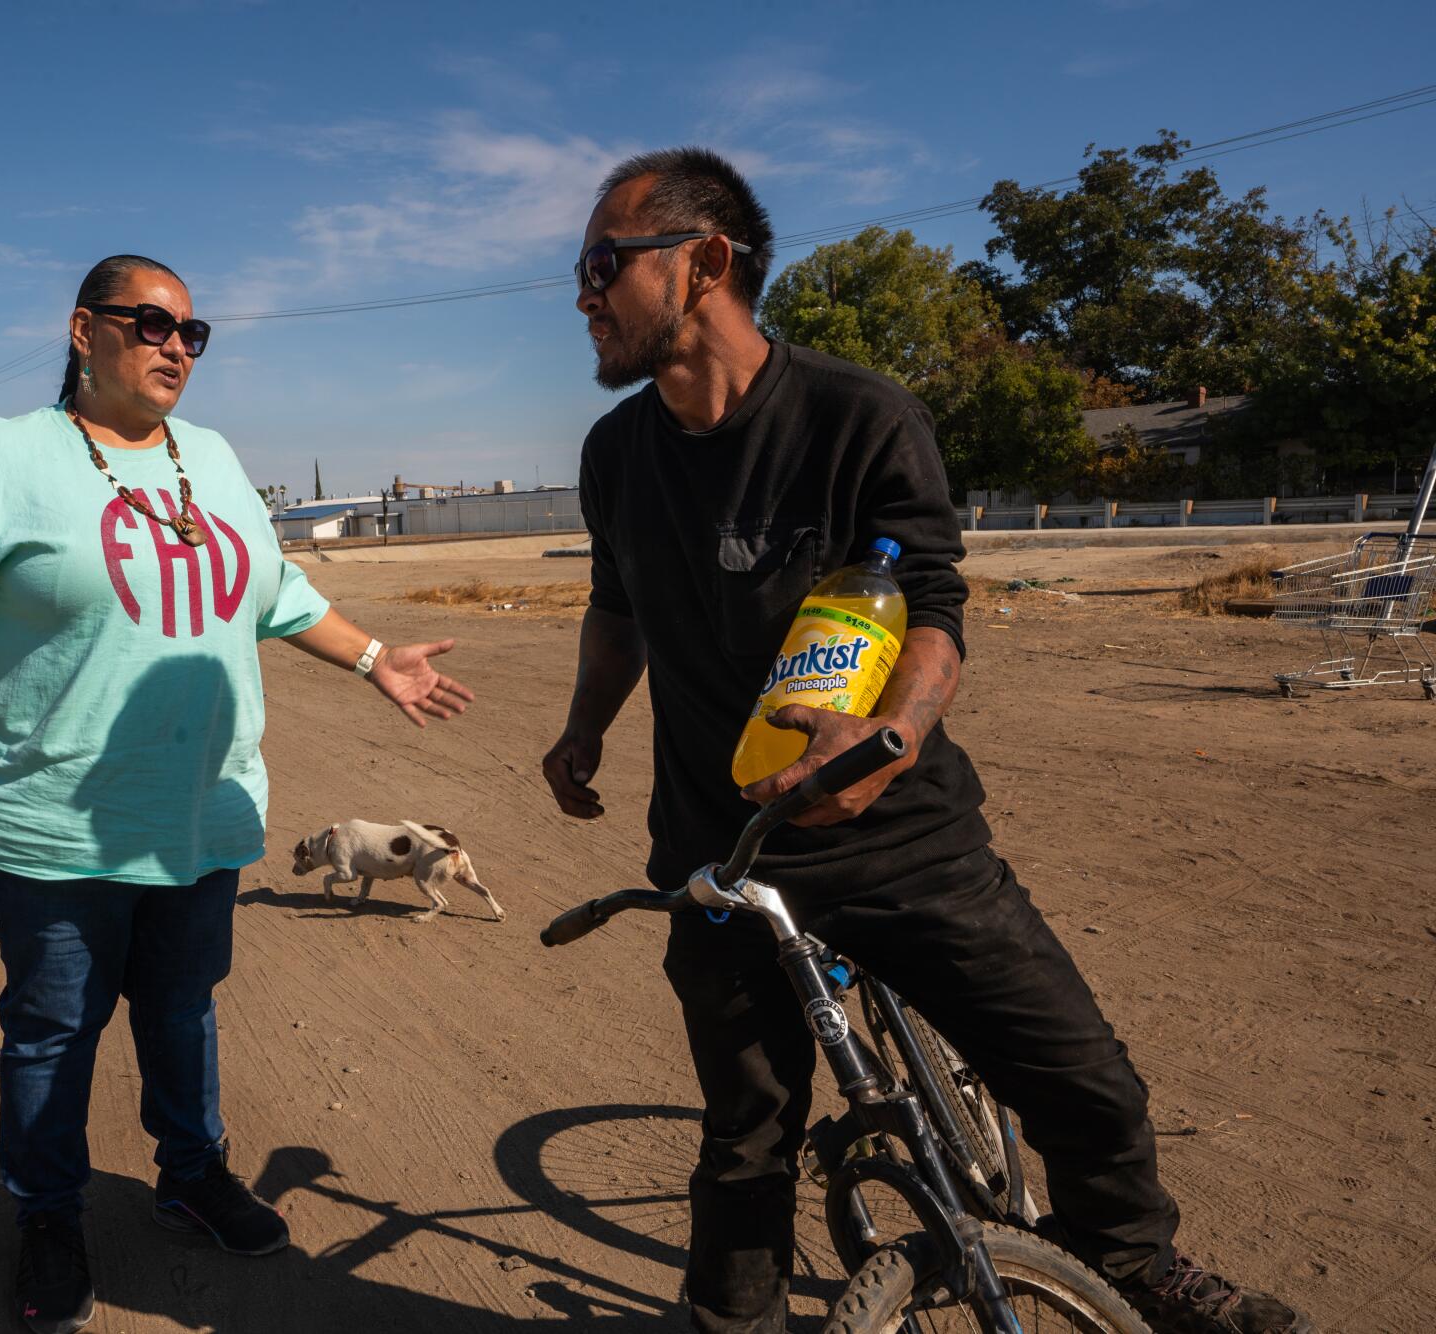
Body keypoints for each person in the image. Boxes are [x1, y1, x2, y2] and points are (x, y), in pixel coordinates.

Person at [539, 148, 1314, 1334]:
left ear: (702, 263)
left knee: (1083, 1079)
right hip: (723, 850)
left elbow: (935, 610)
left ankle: (1129, 1264)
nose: (582, 291)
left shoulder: (856, 415)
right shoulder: (614, 456)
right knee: (744, 1137)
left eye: (602, 261)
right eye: (580, 268)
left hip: (896, 833)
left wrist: (889, 734)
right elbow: (617, 608)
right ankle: (731, 1318)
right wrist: (582, 729)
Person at [0, 254, 474, 1334]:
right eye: (150, 324)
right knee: (54, 1025)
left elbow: (275, 586)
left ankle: (190, 1172)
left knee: (182, 1006)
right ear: (81, 330)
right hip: (54, 817)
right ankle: (49, 1211)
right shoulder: (5, 457)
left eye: (193, 333)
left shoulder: (217, 458)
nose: (175, 347)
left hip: (200, 808)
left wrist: (374, 654)